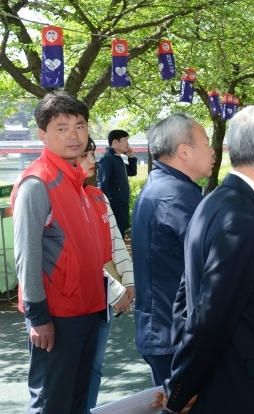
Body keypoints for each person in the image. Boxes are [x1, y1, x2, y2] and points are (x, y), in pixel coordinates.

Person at [154, 105, 254, 413]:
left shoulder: (215, 202)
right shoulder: (241, 218)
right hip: (247, 391)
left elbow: (185, 301)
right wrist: (182, 388)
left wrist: (185, 377)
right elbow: (210, 317)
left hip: (226, 381)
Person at [12, 91, 106, 414]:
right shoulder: (37, 183)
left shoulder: (79, 182)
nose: (73, 135)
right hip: (57, 317)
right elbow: (26, 255)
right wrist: (38, 318)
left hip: (88, 310)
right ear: (42, 134)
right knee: (51, 402)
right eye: (62, 127)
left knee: (77, 399)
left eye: (79, 126)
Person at [131, 114, 214, 387]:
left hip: (160, 326)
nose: (213, 150)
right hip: (174, 331)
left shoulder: (159, 186)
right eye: (206, 143)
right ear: (184, 151)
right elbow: (213, 261)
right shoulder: (178, 195)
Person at [76, 137, 136, 413]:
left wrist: (129, 282)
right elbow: (80, 254)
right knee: (70, 376)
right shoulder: (64, 200)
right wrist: (116, 291)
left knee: (95, 368)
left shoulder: (97, 197)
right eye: (85, 156)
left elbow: (115, 243)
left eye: (92, 154)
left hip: (104, 298)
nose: (92, 162)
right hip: (80, 301)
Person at [97, 129, 137, 236]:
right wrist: (108, 203)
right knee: (115, 237)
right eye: (125, 140)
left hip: (122, 204)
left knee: (120, 236)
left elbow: (132, 172)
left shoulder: (118, 158)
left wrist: (131, 158)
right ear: (115, 142)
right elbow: (102, 183)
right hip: (114, 205)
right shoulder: (108, 158)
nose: (128, 144)